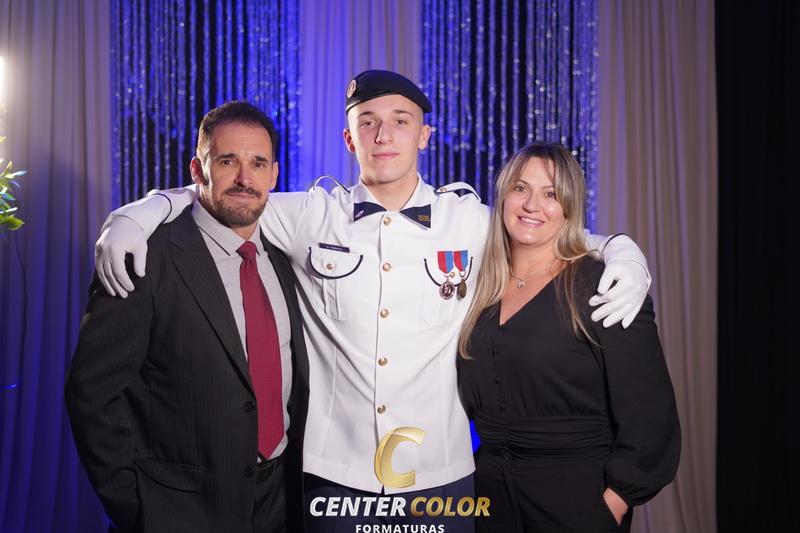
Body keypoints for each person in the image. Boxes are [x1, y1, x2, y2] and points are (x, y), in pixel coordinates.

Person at [93, 70, 652, 532]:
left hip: (439, 478)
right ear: (349, 139)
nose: (384, 134)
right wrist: (138, 214)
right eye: (368, 122)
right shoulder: (308, 214)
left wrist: (624, 252)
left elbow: (551, 232)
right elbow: (225, 193)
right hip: (336, 478)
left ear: (424, 136)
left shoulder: (469, 220)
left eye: (400, 121)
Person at [65, 102, 309, 533]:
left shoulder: (287, 258)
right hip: (179, 512)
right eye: (227, 161)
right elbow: (92, 394)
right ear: (198, 170)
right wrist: (139, 509)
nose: (244, 178)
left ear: (273, 174)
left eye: (258, 163)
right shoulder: (145, 257)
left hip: (280, 505)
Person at [457, 143, 680, 532]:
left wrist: (614, 502)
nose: (532, 205)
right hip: (489, 500)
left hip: (577, 502)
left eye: (551, 194)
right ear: (503, 196)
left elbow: (651, 414)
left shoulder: (600, 285)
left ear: (570, 207)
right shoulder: (478, 286)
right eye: (521, 188)